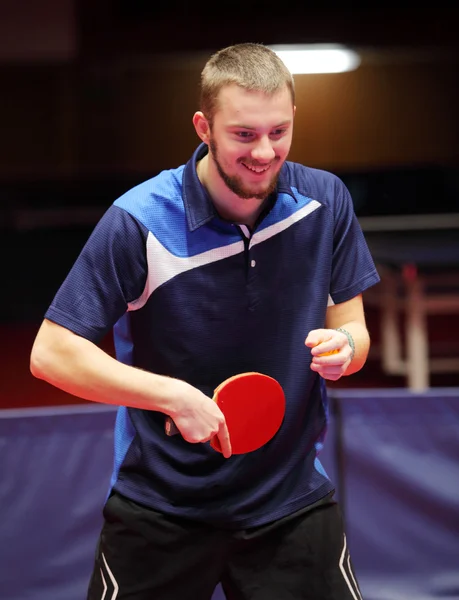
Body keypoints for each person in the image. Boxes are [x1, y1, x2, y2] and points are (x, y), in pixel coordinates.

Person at [30, 42, 380, 600]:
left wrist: (345, 348)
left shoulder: (325, 202)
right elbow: (51, 354)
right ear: (203, 127)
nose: (265, 152)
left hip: (289, 503)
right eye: (244, 134)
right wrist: (171, 396)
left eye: (279, 131)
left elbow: (355, 331)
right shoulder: (139, 220)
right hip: (162, 507)